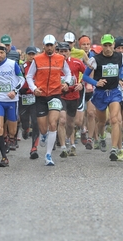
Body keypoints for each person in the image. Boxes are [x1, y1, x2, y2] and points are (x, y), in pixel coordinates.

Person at [26, 34, 72, 166]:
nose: (50, 48)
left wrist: (67, 84)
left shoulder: (60, 59)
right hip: (40, 96)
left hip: (55, 94)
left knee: (53, 123)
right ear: (43, 45)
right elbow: (29, 76)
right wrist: (34, 88)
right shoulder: (37, 59)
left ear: (55, 45)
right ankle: (44, 135)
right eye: (47, 45)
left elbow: (68, 73)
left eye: (52, 45)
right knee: (43, 128)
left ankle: (48, 155)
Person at [82, 34, 123, 161]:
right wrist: (96, 83)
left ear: (113, 45)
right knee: (101, 122)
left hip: (114, 92)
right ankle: (101, 137)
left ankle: (114, 149)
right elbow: (84, 77)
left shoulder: (120, 57)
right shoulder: (95, 59)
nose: (107, 48)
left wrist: (120, 79)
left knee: (114, 120)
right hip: (100, 93)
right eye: (105, 46)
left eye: (110, 45)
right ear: (102, 46)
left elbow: (122, 68)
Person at [0, 43, 25, 167]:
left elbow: (22, 79)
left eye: (1, 52)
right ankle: (4, 157)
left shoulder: (13, 64)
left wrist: (14, 91)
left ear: (5, 53)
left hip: (12, 101)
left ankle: (9, 139)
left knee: (12, 131)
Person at [57, 42, 86, 157]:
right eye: (61, 51)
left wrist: (82, 84)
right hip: (60, 96)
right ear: (58, 52)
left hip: (74, 96)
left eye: (65, 51)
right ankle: (63, 147)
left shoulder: (77, 62)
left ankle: (69, 140)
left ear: (69, 52)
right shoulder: (54, 63)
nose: (63, 53)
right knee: (62, 120)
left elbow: (87, 74)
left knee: (70, 123)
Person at [19, 46, 40, 159]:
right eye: (30, 54)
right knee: (25, 120)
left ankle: (34, 148)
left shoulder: (40, 66)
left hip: (36, 98)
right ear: (26, 55)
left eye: (34, 54)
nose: (32, 56)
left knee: (36, 122)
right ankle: (25, 129)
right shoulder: (22, 67)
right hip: (24, 98)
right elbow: (18, 80)